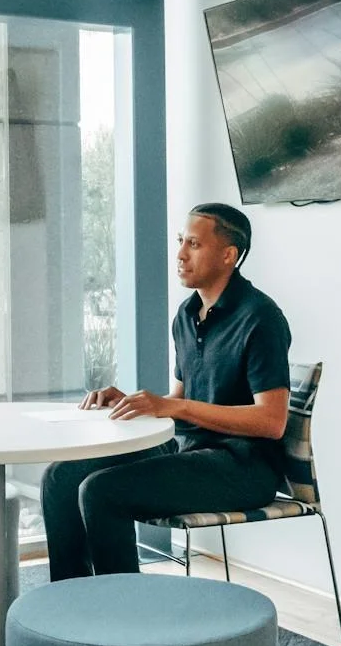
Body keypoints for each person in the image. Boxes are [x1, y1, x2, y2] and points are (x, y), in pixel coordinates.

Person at [41, 202, 292, 578]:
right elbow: (180, 399)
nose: (180, 254)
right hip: (187, 450)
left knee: (101, 491)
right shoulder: (187, 315)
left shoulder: (260, 317)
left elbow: (272, 421)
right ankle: (70, 606)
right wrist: (136, 402)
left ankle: (127, 620)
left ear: (228, 255)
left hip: (241, 467)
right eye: (181, 241)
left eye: (193, 244)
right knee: (60, 478)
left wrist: (177, 409)